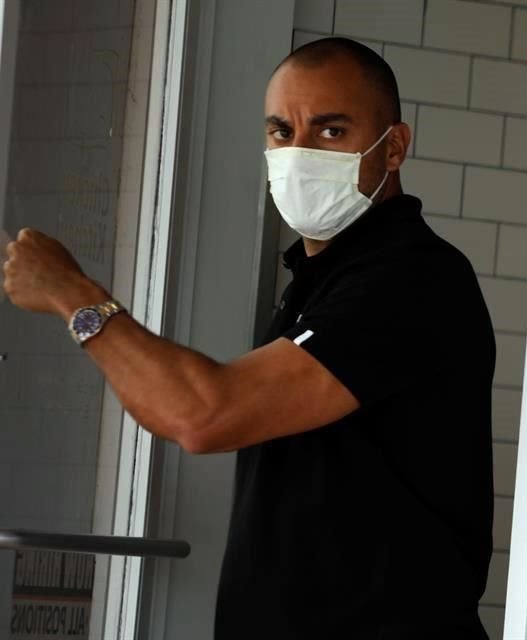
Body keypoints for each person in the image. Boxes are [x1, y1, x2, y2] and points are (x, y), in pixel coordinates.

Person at [2, 37, 496, 639]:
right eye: (282, 132)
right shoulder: (322, 283)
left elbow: (204, 413)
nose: (300, 153)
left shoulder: (411, 279)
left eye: (331, 132)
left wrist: (71, 293)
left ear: (393, 147)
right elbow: (183, 409)